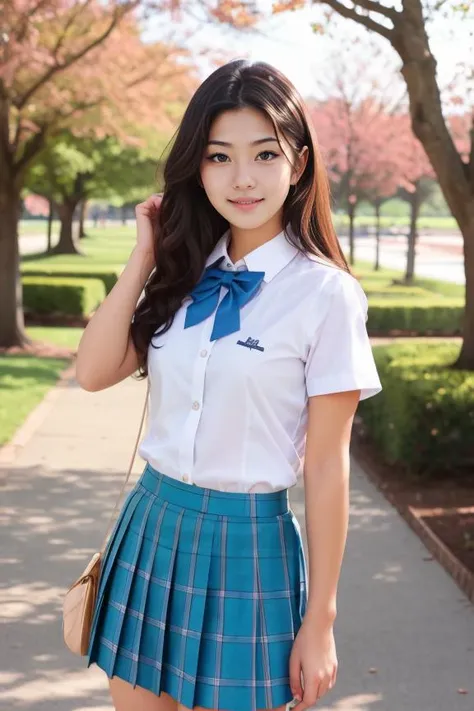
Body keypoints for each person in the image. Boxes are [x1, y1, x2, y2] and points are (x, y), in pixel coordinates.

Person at [75, 59, 382, 711]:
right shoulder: (186, 268)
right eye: (220, 156)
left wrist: (320, 620)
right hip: (150, 528)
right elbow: (93, 371)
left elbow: (327, 466)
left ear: (297, 164)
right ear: (199, 166)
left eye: (264, 154)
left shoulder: (327, 296)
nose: (242, 178)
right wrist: (144, 258)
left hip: (250, 547)